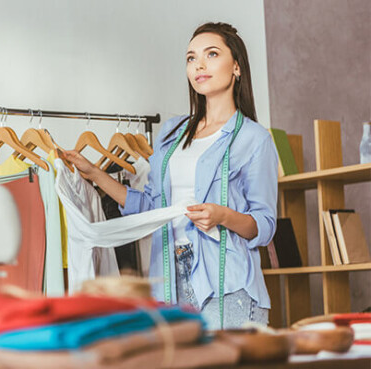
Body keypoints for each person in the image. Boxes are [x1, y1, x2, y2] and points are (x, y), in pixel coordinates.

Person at [63, 22, 278, 329]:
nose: (199, 65)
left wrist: (222, 216)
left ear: (237, 67)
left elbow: (266, 225)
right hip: (168, 283)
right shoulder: (172, 133)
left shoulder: (254, 139)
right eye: (191, 58)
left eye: (212, 54)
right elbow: (151, 207)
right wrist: (96, 174)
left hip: (227, 287)